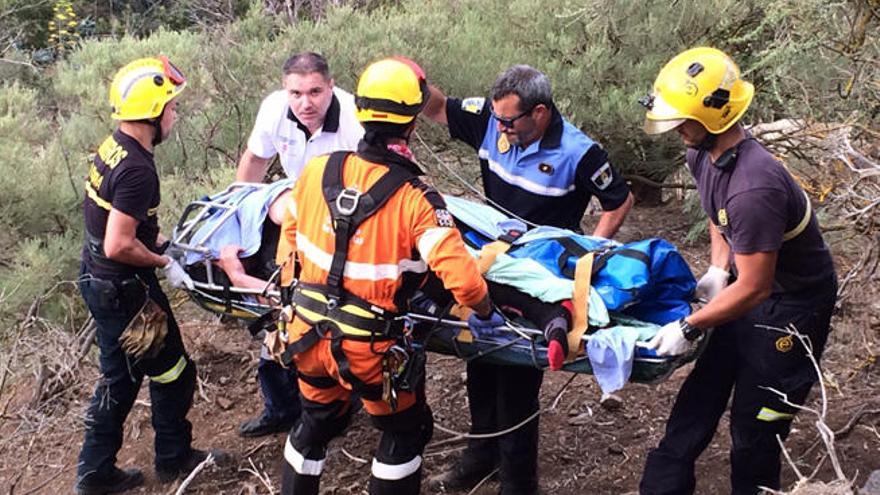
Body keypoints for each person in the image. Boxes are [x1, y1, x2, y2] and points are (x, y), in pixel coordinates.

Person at [275, 56, 499, 495]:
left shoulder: (318, 170)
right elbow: (467, 284)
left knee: (316, 421)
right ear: (413, 123)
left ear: (359, 111)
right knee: (404, 431)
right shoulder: (417, 200)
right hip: (369, 349)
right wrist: (486, 311)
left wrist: (290, 299)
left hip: (304, 333)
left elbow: (290, 241)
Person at [422, 64, 634, 495]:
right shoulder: (490, 118)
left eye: (509, 121)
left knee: (517, 377)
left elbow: (619, 199)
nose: (500, 128)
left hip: (539, 280)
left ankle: (519, 481)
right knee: (479, 361)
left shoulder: (578, 151)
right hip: (489, 265)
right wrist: (413, 82)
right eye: (498, 119)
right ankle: (481, 457)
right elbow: (439, 108)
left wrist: (589, 252)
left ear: (539, 112)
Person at [638, 47, 837, 495]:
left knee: (756, 427)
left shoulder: (756, 187)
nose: (674, 129)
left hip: (793, 303)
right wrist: (717, 266)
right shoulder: (702, 154)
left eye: (681, 120)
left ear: (713, 117)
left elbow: (755, 286)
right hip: (745, 283)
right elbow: (716, 212)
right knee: (698, 400)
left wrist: (688, 326)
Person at [76, 56, 221, 494]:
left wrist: (158, 244)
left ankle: (94, 470)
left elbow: (116, 231)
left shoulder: (114, 145)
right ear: (154, 113)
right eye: (171, 106)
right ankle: (173, 458)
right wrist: (164, 263)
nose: (175, 113)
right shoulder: (138, 168)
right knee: (173, 370)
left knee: (119, 377)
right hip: (124, 289)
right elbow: (119, 243)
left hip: (100, 281)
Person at [235, 52, 365, 438]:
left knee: (337, 313)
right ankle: (281, 406)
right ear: (284, 89)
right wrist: (238, 215)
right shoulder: (275, 109)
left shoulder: (355, 122)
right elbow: (254, 163)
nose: (305, 103)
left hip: (346, 221)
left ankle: (343, 399)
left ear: (331, 86)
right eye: (296, 93)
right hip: (297, 218)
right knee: (281, 308)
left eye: (315, 92)